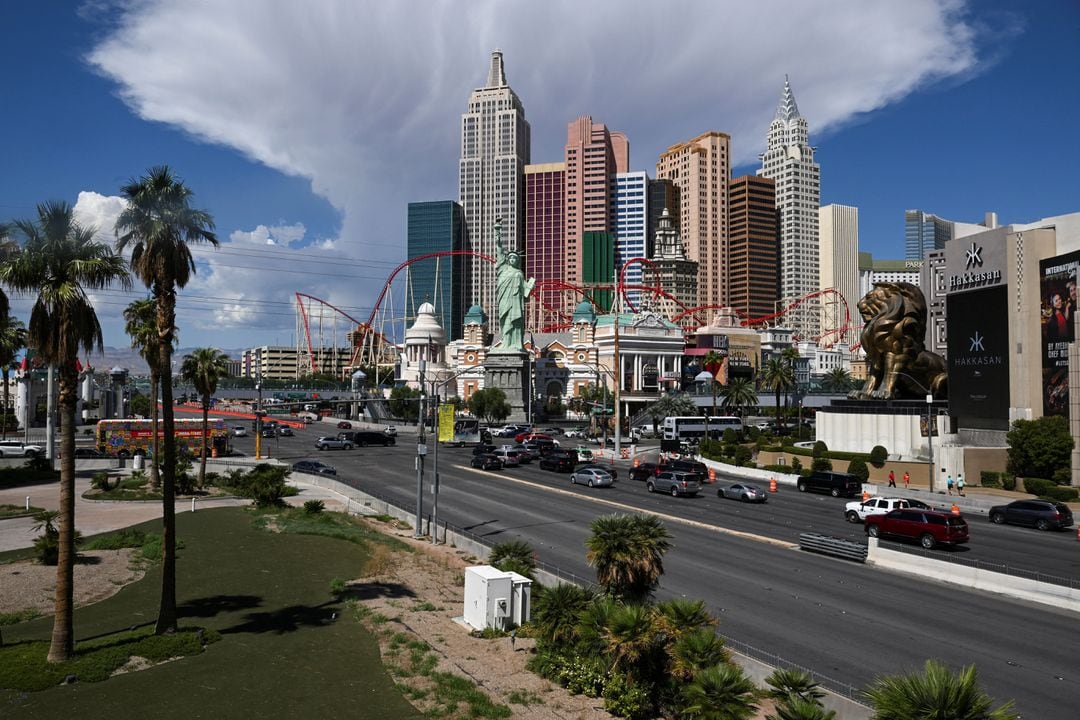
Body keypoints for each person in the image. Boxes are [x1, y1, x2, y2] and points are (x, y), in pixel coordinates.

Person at [493, 219, 536, 353]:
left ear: (517, 261)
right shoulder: (503, 268)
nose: (512, 259)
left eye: (514, 258)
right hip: (504, 300)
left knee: (516, 322)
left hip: (516, 302)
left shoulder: (519, 273)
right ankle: (505, 343)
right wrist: (498, 232)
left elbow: (525, 292)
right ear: (507, 259)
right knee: (505, 321)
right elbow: (499, 250)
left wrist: (530, 286)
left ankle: (516, 344)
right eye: (510, 258)